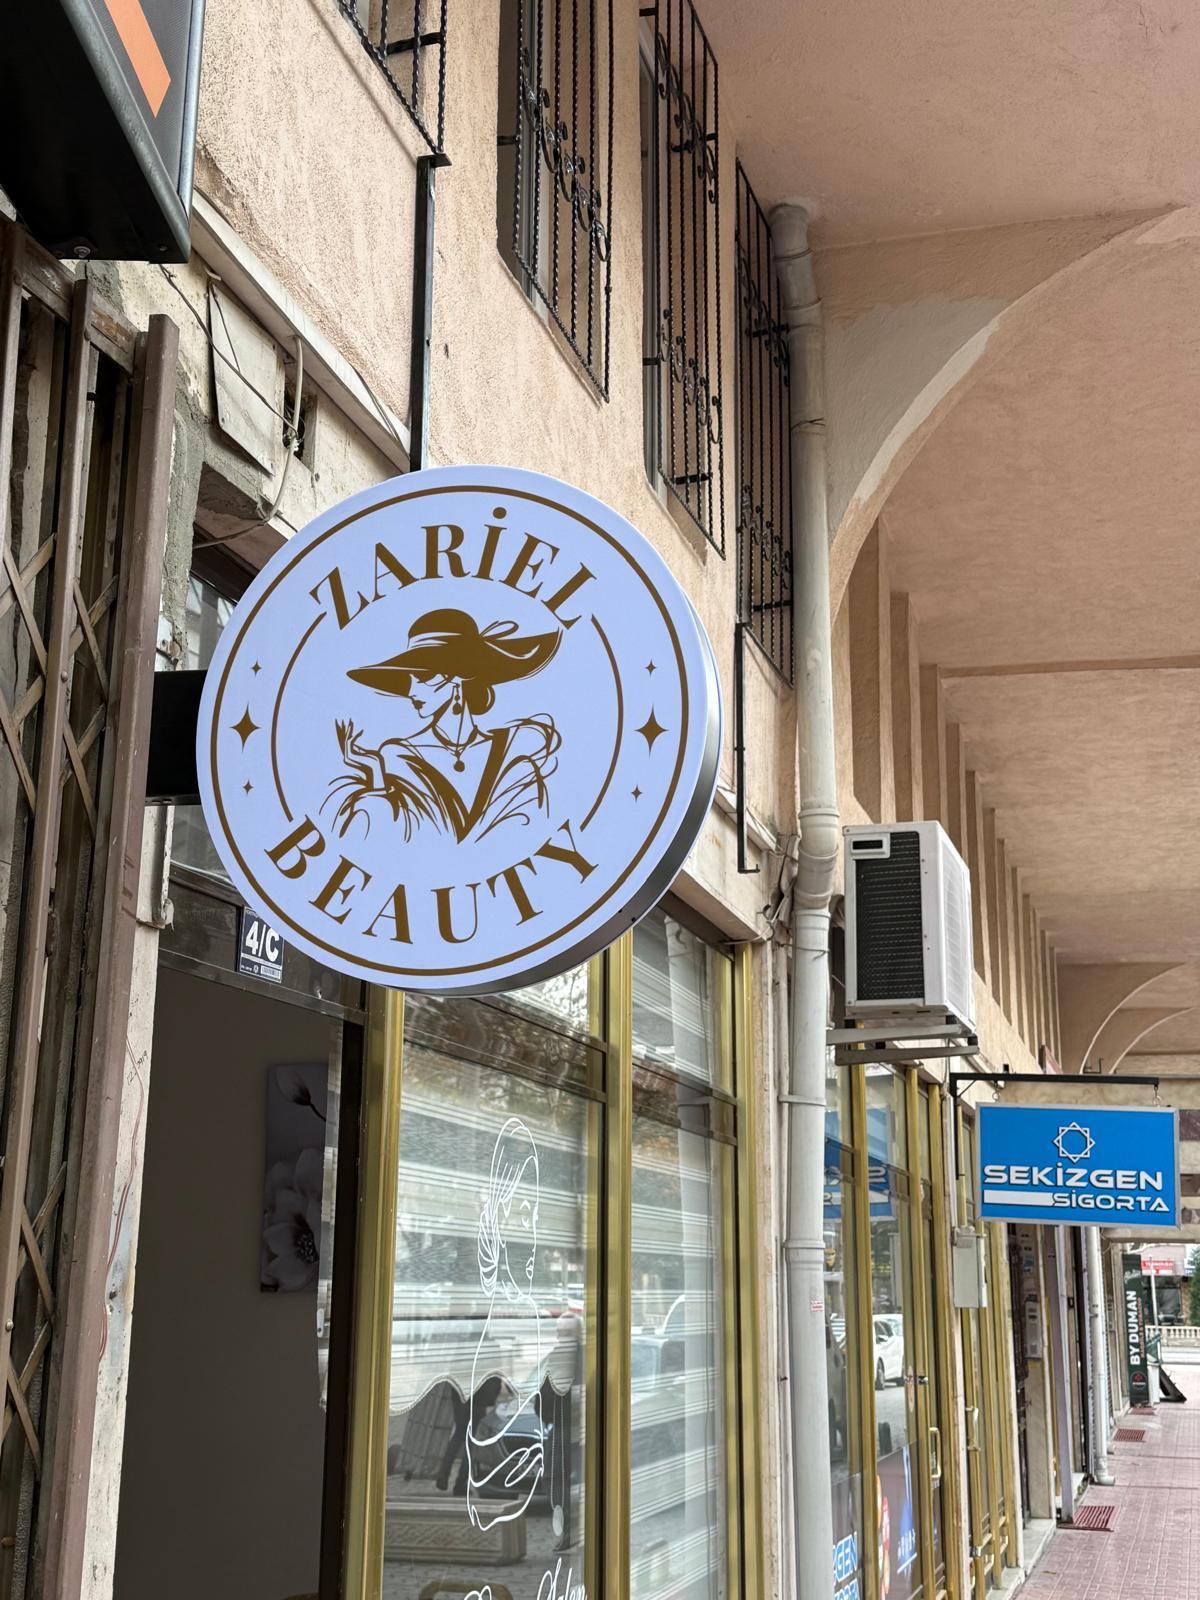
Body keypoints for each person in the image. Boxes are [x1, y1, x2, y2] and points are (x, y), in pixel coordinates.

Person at [325, 608, 561, 843]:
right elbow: (384, 843)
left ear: (459, 676)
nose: (411, 691)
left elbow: (531, 831)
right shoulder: (397, 755)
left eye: (423, 676)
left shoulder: (513, 751)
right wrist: (377, 777)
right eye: (408, 679)